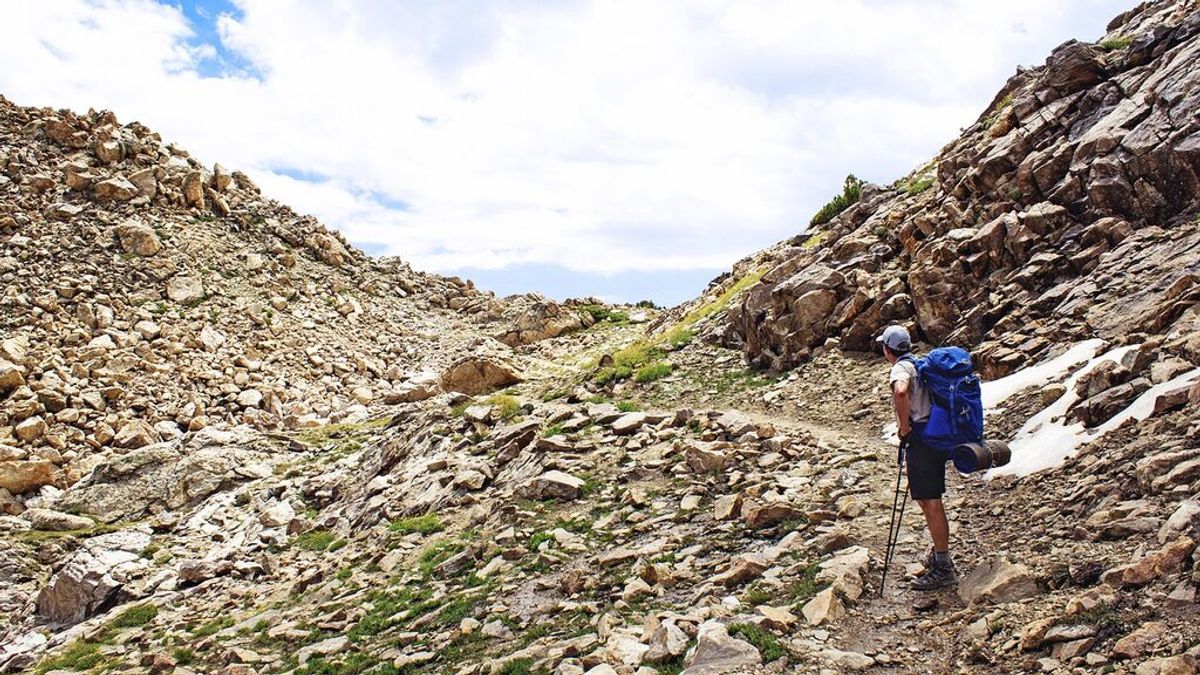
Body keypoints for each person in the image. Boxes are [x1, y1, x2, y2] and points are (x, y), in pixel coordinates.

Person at [876, 325, 957, 591]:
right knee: (927, 499)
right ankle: (939, 554)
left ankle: (943, 566)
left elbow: (900, 392)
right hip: (934, 435)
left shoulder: (900, 369)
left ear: (888, 350)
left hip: (920, 438)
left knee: (931, 502)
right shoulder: (921, 364)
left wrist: (904, 428)